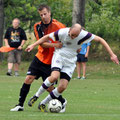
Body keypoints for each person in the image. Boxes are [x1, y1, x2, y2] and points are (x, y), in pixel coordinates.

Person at [25, 23, 119, 112]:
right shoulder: (62, 32)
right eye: (72, 34)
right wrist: (33, 45)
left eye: (75, 36)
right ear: (69, 29)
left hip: (70, 61)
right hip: (59, 56)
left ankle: (43, 103)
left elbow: (101, 40)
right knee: (54, 77)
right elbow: (46, 37)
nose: (73, 37)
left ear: (80, 33)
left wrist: (112, 54)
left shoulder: (84, 35)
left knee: (62, 87)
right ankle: (36, 96)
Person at [10, 4, 66, 112]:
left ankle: (63, 102)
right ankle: (20, 105)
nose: (43, 16)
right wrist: (55, 45)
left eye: (45, 14)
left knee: (49, 88)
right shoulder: (37, 26)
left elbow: (67, 39)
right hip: (39, 58)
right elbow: (42, 44)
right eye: (41, 15)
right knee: (28, 78)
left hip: (52, 61)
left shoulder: (59, 26)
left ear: (49, 13)